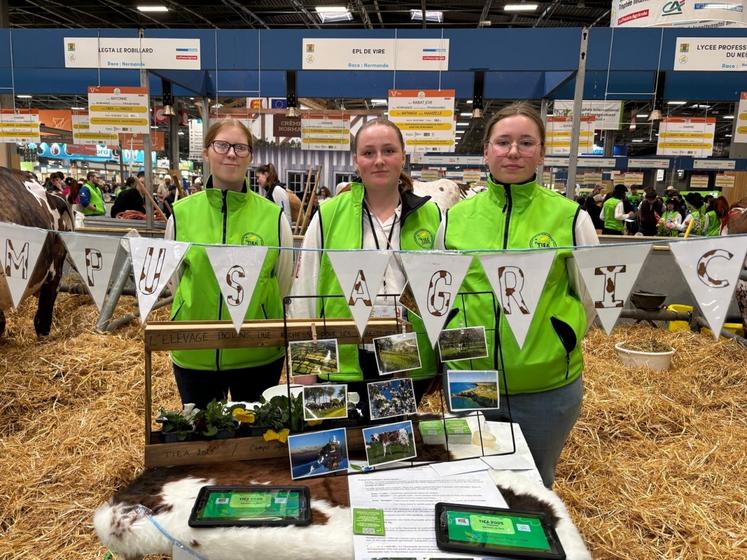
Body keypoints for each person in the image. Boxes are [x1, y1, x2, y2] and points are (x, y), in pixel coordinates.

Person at [436, 101, 599, 488]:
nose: (513, 151)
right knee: (470, 481)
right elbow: (440, 293)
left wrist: (562, 338)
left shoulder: (571, 217)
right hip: (469, 381)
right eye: (503, 141)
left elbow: (591, 297)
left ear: (541, 152)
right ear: (486, 151)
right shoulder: (455, 219)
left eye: (526, 142)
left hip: (545, 388)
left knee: (534, 487)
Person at [290, 118, 441, 410]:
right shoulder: (329, 215)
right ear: (356, 160)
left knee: (396, 443)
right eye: (369, 153)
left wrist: (439, 360)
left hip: (406, 356)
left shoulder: (431, 216)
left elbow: (443, 295)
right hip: (343, 356)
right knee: (342, 447)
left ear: (403, 156)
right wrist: (305, 366)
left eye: (389, 151)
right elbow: (303, 290)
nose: (379, 161)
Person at [165, 118, 294, 408]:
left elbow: (284, 280)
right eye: (222, 145)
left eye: (240, 147)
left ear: (250, 156)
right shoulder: (181, 215)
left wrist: (263, 311)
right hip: (194, 351)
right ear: (207, 152)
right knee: (202, 440)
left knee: (256, 440)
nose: (231, 153)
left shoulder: (273, 217)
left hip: (258, 352)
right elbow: (175, 280)